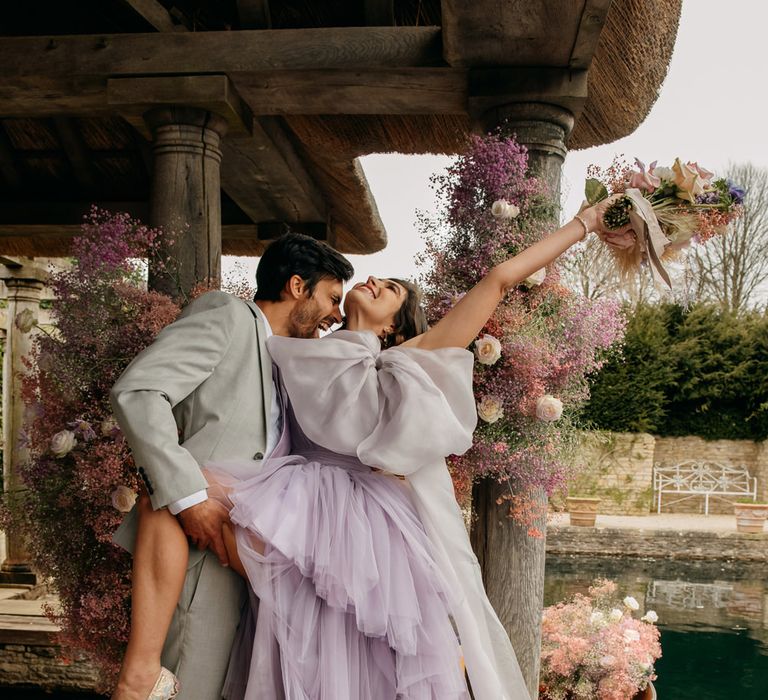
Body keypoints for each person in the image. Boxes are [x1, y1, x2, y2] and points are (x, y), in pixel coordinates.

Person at [114, 200, 635, 700]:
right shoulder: (298, 351)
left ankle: (145, 674)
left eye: (385, 289)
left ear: (391, 325)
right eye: (347, 290)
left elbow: (497, 280)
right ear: (300, 287)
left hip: (347, 522)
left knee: (343, 654)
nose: (367, 286)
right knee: (172, 501)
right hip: (289, 500)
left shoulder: (400, 358)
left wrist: (584, 224)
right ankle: (143, 672)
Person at [109, 234, 354, 700]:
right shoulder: (227, 315)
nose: (336, 315)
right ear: (297, 286)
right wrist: (188, 498)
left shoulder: (290, 363)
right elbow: (139, 393)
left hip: (248, 558)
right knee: (183, 684)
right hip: (196, 548)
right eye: (332, 298)